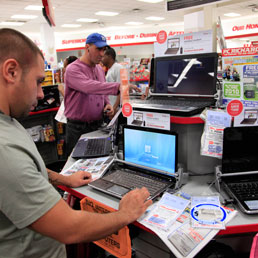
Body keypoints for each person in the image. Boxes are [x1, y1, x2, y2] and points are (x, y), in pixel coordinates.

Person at [0, 28, 152, 258]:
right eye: (38, 81)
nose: (42, 94)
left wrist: (63, 178)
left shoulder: (10, 123)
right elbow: (68, 228)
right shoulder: (4, 147)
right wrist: (125, 214)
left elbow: (26, 172)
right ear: (11, 72)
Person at [64, 32, 140, 156]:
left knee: (97, 160)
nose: (102, 54)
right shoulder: (73, 69)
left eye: (104, 50)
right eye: (98, 49)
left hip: (97, 125)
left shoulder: (99, 68)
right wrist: (118, 87)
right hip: (78, 129)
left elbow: (101, 91)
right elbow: (89, 87)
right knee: (76, 167)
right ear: (87, 47)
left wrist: (107, 104)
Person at [55, 55, 78, 123]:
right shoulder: (69, 79)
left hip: (73, 117)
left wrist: (61, 88)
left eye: (65, 66)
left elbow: (72, 99)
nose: (64, 69)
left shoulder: (77, 81)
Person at [102, 47, 123, 114]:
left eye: (103, 56)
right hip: (110, 107)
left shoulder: (118, 68)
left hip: (115, 109)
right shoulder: (110, 69)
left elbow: (121, 90)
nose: (101, 58)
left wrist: (114, 108)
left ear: (109, 56)